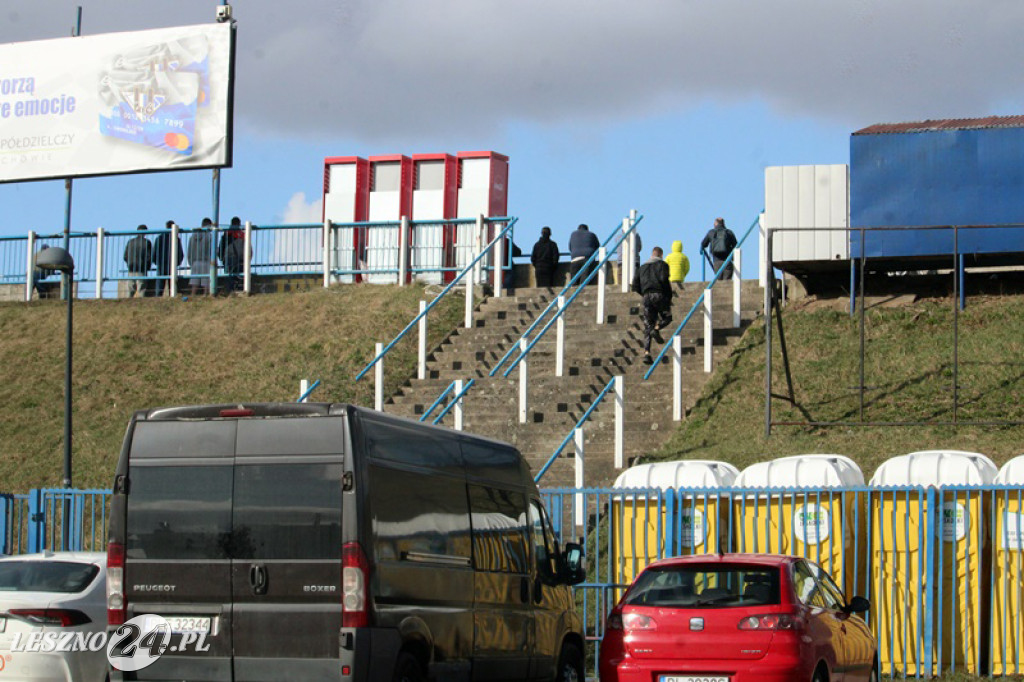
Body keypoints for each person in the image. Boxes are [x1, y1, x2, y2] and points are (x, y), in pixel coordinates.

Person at [631, 246, 673, 364]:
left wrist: (644, 293)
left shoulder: (642, 268)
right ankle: (657, 328)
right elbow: (665, 281)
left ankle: (646, 353)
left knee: (647, 325)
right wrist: (668, 297)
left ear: (651, 254)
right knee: (668, 317)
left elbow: (634, 286)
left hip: (646, 297)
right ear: (661, 255)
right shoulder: (663, 265)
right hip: (659, 295)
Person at [152, 220, 184, 298]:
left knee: (160, 284)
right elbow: (180, 254)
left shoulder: (159, 238)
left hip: (161, 264)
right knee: (172, 284)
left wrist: (157, 262)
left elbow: (154, 253)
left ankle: (158, 297)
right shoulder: (176, 239)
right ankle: (172, 296)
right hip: (172, 264)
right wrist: (177, 263)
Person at [700, 217, 738, 281]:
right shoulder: (729, 232)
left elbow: (703, 244)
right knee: (727, 283)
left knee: (719, 283)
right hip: (728, 262)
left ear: (715, 223)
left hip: (716, 262)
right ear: (724, 224)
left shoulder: (711, 232)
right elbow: (736, 246)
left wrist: (702, 249)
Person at [123, 224, 152, 298]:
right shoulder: (147, 242)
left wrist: (129, 263)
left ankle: (127, 304)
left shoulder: (130, 242)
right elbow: (149, 257)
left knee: (130, 289)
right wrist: (148, 267)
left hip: (131, 267)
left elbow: (125, 256)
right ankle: (141, 304)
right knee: (141, 289)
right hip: (141, 268)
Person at [188, 218, 215, 296]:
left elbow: (189, 251)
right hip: (205, 261)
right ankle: (205, 295)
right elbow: (212, 250)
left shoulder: (192, 237)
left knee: (194, 281)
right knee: (206, 281)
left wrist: (190, 262)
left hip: (195, 262)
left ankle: (193, 294)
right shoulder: (209, 236)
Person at [218, 216, 246, 293]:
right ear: (239, 224)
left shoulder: (226, 234)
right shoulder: (242, 235)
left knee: (229, 275)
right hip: (242, 259)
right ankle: (241, 289)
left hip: (228, 257)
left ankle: (229, 291)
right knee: (240, 275)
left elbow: (221, 247)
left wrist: (221, 257)